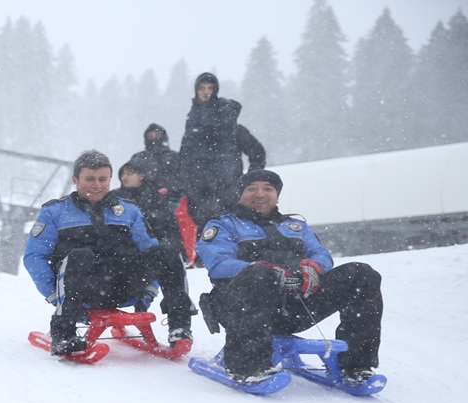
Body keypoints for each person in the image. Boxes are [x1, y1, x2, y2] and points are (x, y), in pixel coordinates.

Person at [197, 169, 383, 385]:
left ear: (277, 195)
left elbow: (321, 254)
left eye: (268, 189)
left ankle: (355, 366)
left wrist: (313, 267)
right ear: (240, 194)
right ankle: (247, 367)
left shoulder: (295, 226)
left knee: (362, 274)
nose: (260, 194)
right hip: (240, 307)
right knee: (259, 274)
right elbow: (219, 264)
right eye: (252, 189)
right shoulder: (223, 224)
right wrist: (268, 270)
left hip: (295, 308)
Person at [23, 150, 194, 356]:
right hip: (80, 291)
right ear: (75, 179)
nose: (97, 185)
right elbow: (35, 257)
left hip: (123, 286)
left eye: (103, 179)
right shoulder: (55, 212)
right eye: (90, 179)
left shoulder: (128, 211)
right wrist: (54, 295)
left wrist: (147, 293)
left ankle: (179, 327)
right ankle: (64, 333)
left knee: (166, 252)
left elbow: (149, 248)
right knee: (80, 254)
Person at [179, 72, 242, 228]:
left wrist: (220, 176)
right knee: (202, 225)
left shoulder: (223, 110)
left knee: (220, 224)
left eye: (210, 88)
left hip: (217, 182)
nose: (206, 92)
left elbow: (225, 146)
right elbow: (187, 148)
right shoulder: (193, 114)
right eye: (202, 88)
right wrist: (185, 177)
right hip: (196, 181)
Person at [114, 160, 179, 246]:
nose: (124, 177)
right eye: (122, 174)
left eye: (129, 174)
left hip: (152, 247)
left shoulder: (154, 197)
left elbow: (166, 224)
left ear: (141, 176)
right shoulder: (114, 197)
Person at [129, 123, 180, 198]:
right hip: (145, 201)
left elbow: (185, 178)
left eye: (157, 135)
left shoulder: (175, 157)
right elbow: (130, 180)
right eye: (150, 136)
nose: (154, 138)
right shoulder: (138, 157)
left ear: (163, 137)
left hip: (174, 200)